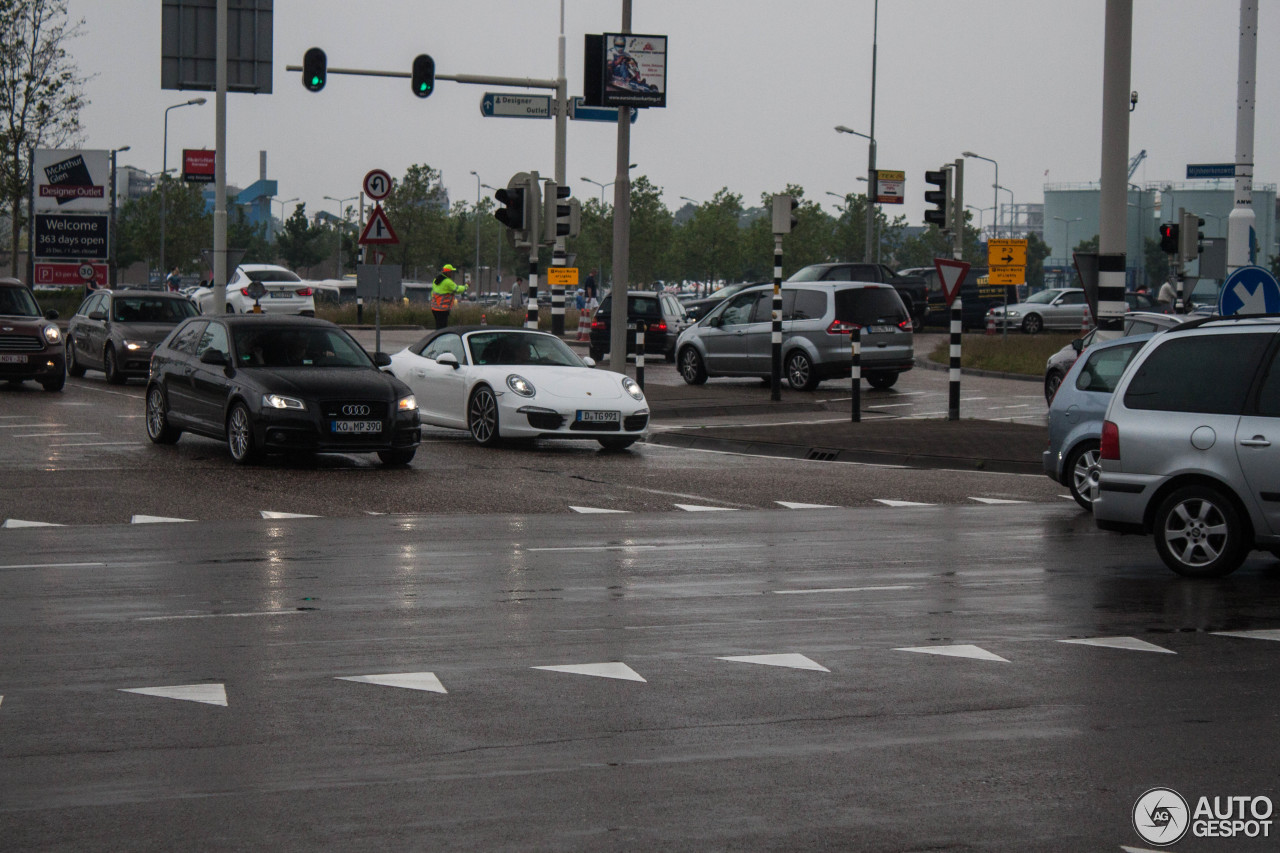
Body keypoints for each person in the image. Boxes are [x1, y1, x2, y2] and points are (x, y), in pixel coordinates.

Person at [430, 263, 466, 329]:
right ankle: (441, 338)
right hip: (443, 308)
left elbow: (434, 291)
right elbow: (457, 289)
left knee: (438, 326)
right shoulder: (448, 282)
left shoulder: (436, 280)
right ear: (448, 272)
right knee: (443, 327)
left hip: (434, 308)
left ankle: (437, 337)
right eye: (451, 272)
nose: (452, 274)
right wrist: (466, 286)